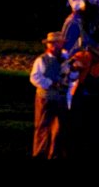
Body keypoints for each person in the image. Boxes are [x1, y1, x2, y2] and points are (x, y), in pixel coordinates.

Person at [29, 31, 69, 159]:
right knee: (42, 127)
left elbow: (70, 76)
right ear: (49, 45)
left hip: (60, 98)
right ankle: (39, 154)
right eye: (56, 44)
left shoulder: (65, 59)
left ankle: (54, 154)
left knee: (59, 129)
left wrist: (71, 75)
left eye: (59, 44)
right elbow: (34, 77)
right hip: (46, 98)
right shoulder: (41, 60)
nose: (58, 46)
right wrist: (50, 83)